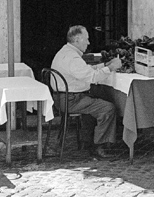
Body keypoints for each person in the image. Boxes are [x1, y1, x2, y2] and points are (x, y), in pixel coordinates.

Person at [51, 25, 122, 159]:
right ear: (77, 40)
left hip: (64, 98)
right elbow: (93, 77)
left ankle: (87, 141)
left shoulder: (66, 52)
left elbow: (86, 70)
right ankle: (100, 147)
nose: (89, 43)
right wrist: (111, 68)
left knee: (95, 101)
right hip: (71, 100)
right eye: (86, 39)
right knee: (108, 108)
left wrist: (105, 65)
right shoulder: (73, 58)